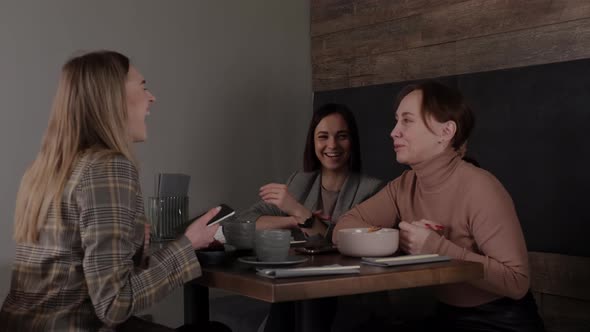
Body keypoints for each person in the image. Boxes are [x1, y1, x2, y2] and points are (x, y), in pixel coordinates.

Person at [0, 51, 221, 332]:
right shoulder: (107, 167)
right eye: (142, 86)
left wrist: (135, 248)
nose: (152, 97)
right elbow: (114, 304)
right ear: (113, 98)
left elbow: (77, 272)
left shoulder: (44, 170)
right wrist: (188, 244)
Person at [333, 81, 545, 331]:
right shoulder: (403, 185)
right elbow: (343, 229)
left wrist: (436, 247)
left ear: (445, 133)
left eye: (407, 121)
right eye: (396, 120)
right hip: (447, 317)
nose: (394, 131)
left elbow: (517, 281)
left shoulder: (480, 187)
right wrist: (401, 237)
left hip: (501, 321)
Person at [238, 103, 385, 332]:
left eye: (342, 136)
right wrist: (292, 219)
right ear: (313, 142)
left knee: (299, 296)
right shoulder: (300, 182)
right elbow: (245, 220)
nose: (332, 145)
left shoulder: (372, 189)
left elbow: (340, 243)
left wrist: (301, 212)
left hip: (347, 293)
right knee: (289, 294)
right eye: (323, 137)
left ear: (352, 141)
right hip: (298, 286)